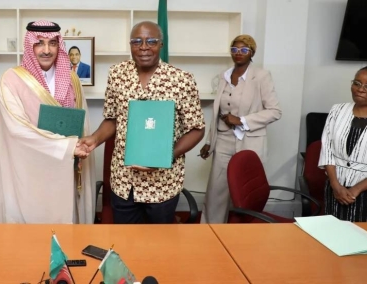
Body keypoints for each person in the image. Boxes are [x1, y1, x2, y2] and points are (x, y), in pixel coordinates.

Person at [78, 21, 205, 224]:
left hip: (162, 184)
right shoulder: (117, 74)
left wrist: (165, 156)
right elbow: (112, 118)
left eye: (151, 41)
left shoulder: (181, 79)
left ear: (161, 44)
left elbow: (197, 129)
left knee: (158, 246)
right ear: (130, 45)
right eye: (137, 41)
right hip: (123, 181)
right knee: (126, 244)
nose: (144, 47)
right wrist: (94, 139)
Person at [0, 20, 96, 224]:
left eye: (52, 43)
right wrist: (68, 146)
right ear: (30, 46)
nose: (46, 50)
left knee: (64, 233)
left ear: (59, 46)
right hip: (27, 172)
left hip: (64, 171)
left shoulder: (72, 79)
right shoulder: (11, 80)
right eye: (39, 43)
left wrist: (80, 146)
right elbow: (17, 130)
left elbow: (82, 123)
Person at [199, 34, 281, 224]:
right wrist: (209, 142)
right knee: (216, 191)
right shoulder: (224, 76)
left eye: (244, 50)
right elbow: (217, 111)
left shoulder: (261, 76)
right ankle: (210, 230)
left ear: (252, 52)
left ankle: (242, 234)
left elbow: (275, 111)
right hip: (223, 140)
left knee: (244, 193)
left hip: (249, 141)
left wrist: (242, 120)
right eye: (234, 49)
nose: (238, 53)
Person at [319, 66, 367, 222]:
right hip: (335, 188)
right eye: (357, 83)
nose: (360, 89)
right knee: (331, 235)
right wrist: (335, 185)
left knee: (366, 238)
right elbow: (327, 149)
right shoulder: (337, 110)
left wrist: (356, 189)